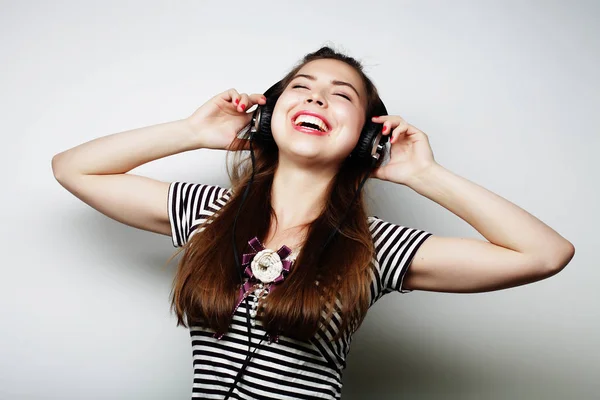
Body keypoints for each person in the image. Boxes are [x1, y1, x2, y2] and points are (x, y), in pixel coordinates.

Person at [52, 46, 575, 399]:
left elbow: (544, 254)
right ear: (265, 117)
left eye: (342, 95)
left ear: (368, 140)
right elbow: (73, 168)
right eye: (301, 87)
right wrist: (192, 131)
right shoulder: (207, 215)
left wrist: (425, 174)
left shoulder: (375, 247)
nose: (317, 97)